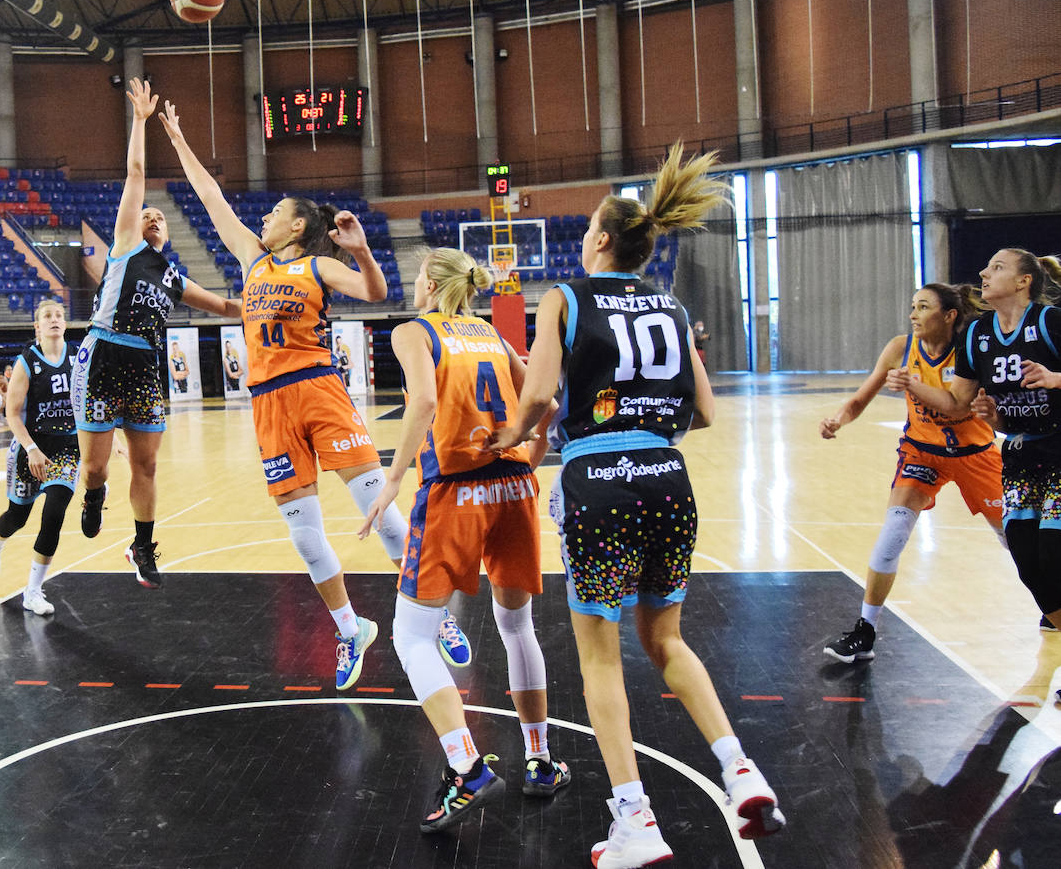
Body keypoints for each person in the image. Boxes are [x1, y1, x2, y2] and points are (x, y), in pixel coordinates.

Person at [488, 144, 785, 866]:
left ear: (597, 240)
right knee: (667, 640)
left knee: (601, 659)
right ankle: (739, 767)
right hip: (667, 477)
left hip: (599, 482)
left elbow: (538, 398)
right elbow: (705, 413)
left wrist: (506, 438)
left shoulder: (565, 297)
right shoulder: (672, 306)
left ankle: (635, 820)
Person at [160, 97, 470, 690]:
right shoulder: (252, 258)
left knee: (380, 514)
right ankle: (350, 628)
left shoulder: (318, 268)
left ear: (297, 226)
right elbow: (210, 199)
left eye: (275, 212)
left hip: (319, 390)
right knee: (304, 536)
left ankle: (437, 615)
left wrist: (358, 248)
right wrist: (177, 138)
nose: (266, 219)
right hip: (268, 402)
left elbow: (375, 293)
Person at [360, 247, 567, 833]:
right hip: (514, 485)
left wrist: (393, 480)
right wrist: (533, 449)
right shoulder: (489, 333)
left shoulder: (413, 331)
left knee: (411, 634)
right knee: (517, 626)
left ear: (428, 281)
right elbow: (545, 402)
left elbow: (424, 401)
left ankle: (467, 766)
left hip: (456, 492)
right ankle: (540, 760)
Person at [71, 78, 238, 590]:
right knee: (97, 468)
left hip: (144, 363)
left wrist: (276, 296)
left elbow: (229, 306)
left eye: (160, 215)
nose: (153, 216)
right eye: (147, 213)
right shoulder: (123, 245)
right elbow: (137, 173)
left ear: (167, 233)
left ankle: (143, 547)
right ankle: (93, 493)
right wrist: (141, 123)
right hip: (104, 354)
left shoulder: (173, 277)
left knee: (146, 465)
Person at [889, 250, 1061, 672]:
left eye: (997, 267)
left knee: (1054, 555)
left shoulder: (1050, 322)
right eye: (985, 266)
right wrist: (913, 383)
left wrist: (1057, 378)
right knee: (1028, 563)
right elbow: (955, 403)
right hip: (1021, 454)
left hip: (1060, 451)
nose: (984, 272)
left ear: (1023, 282)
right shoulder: (977, 333)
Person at [821, 284, 1005, 663]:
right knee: (891, 538)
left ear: (949, 315)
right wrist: (838, 419)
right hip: (922, 453)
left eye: (923, 307)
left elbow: (957, 409)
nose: (913, 314)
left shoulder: (970, 350)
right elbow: (860, 399)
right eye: (912, 306)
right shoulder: (900, 348)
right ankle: (865, 631)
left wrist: (912, 384)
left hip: (976, 454)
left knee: (1016, 540)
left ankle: (1050, 603)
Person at [0, 300, 80, 615]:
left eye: (59, 315)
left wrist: (112, 437)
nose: (54, 320)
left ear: (65, 323)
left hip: (66, 450)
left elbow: (87, 405)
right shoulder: (27, 361)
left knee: (53, 514)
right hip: (31, 448)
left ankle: (33, 591)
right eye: (47, 316)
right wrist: (31, 448)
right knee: (16, 518)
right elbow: (11, 414)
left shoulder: (79, 358)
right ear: (37, 326)